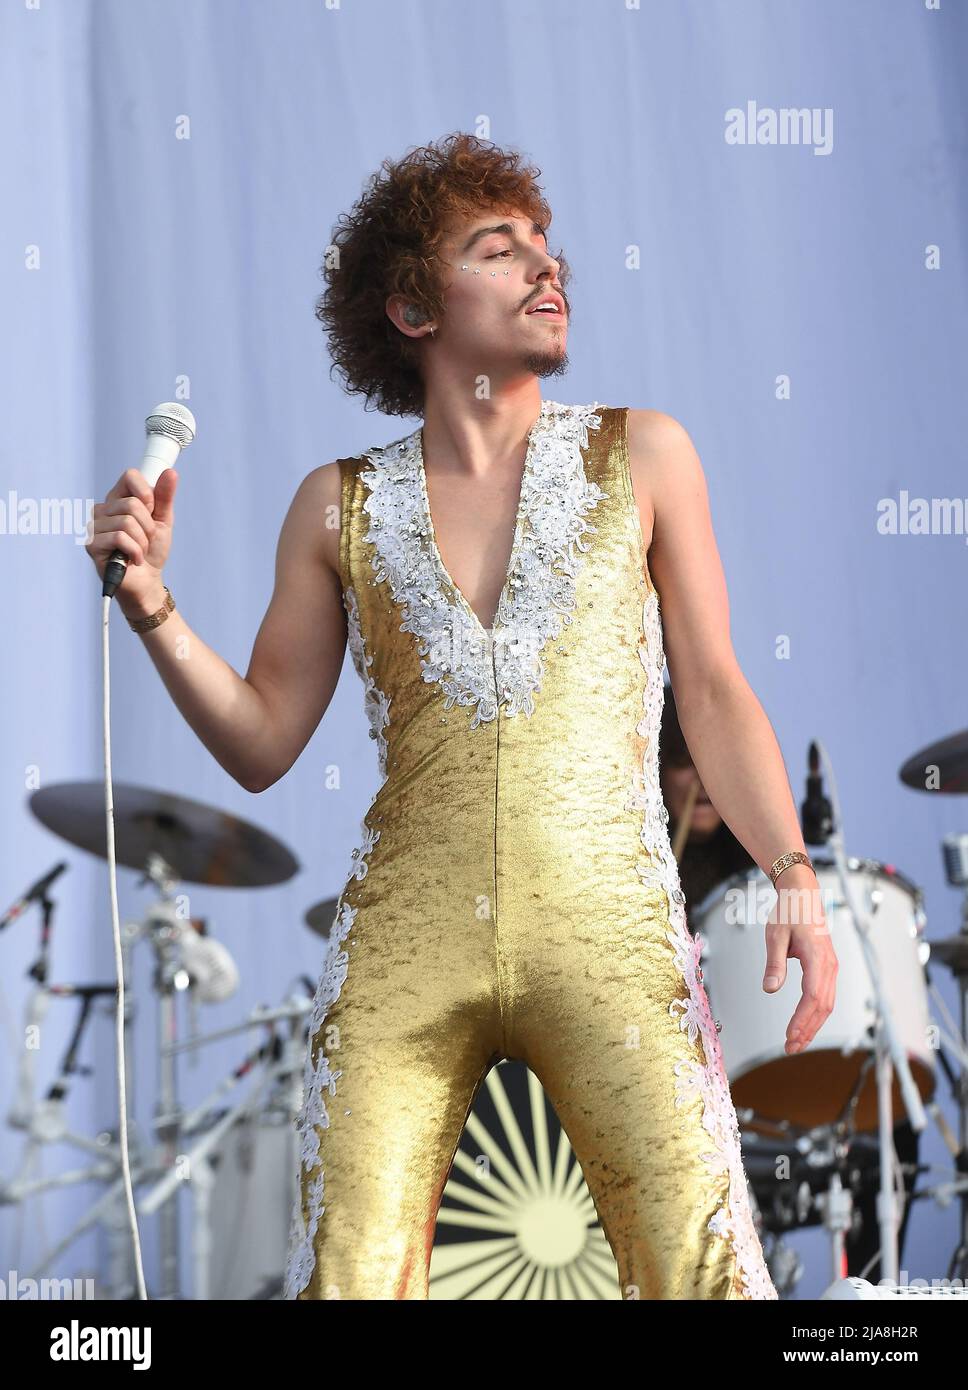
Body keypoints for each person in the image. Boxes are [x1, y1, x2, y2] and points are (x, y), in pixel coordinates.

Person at [84, 132, 837, 1301]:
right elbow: (261, 741)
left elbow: (714, 687)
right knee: (346, 1276)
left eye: (548, 249)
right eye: (500, 249)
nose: (547, 270)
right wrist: (152, 607)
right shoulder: (333, 505)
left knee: (702, 1270)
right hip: (401, 940)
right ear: (411, 308)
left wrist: (791, 870)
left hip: (612, 925)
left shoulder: (643, 454)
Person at [657, 681, 918, 1281]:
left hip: (776, 1066)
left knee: (888, 1115)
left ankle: (872, 1298)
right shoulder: (646, 867)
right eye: (679, 762)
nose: (696, 778)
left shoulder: (760, 864)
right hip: (700, 1087)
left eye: (705, 759)